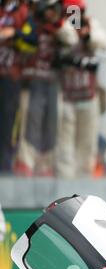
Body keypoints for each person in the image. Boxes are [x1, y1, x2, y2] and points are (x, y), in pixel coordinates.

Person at [13, 0, 77, 177]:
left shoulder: (61, 27)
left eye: (53, 9)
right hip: (32, 82)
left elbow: (72, 40)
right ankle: (26, 163)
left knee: (51, 125)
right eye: (47, 9)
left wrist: (56, 26)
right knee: (29, 122)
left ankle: (44, 165)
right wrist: (35, 26)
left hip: (52, 83)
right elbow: (22, 41)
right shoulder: (31, 23)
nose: (50, 13)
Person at [55, 0, 106, 178]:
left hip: (88, 95)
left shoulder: (92, 25)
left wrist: (87, 36)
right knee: (65, 143)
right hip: (67, 95)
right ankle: (65, 181)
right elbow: (67, 37)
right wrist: (76, 30)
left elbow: (104, 42)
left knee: (87, 144)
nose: (74, 15)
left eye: (77, 12)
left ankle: (84, 181)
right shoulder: (60, 26)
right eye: (71, 12)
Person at [0, 0, 28, 173]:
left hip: (12, 77)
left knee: (9, 124)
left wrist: (14, 33)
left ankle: (6, 166)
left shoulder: (23, 11)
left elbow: (31, 37)